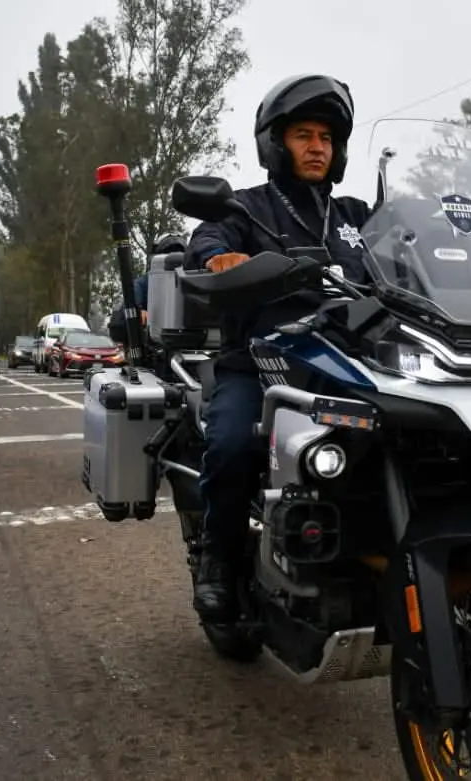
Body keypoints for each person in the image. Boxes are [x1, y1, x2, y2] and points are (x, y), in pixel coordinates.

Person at [183, 74, 371, 623]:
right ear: (275, 143)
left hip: (351, 366)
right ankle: (218, 559)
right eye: (304, 135)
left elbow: (410, 252)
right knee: (234, 445)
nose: (317, 147)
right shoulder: (246, 209)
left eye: (327, 139)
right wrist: (219, 259)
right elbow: (207, 245)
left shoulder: (358, 216)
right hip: (263, 367)